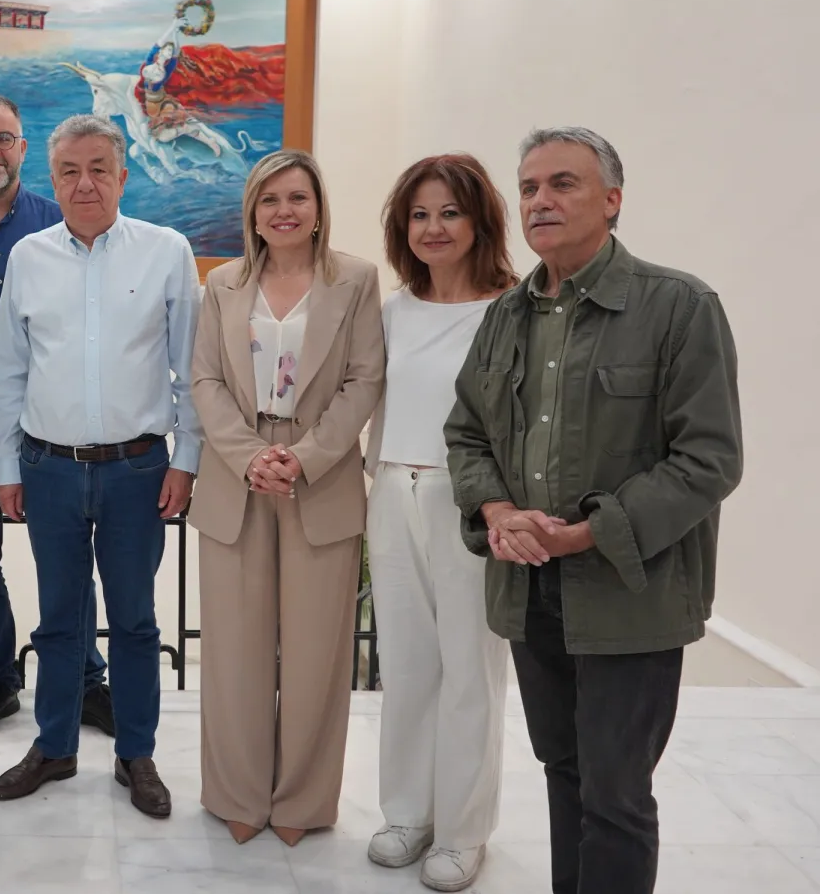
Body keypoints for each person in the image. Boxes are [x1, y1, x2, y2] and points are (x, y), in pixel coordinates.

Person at [446, 127, 742, 894]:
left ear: (612, 200)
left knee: (615, 794)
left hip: (630, 594)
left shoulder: (679, 307)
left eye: (563, 183)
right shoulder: (506, 316)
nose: (540, 200)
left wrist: (589, 533)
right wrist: (499, 509)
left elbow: (709, 458)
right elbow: (467, 432)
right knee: (564, 771)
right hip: (531, 591)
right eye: (529, 187)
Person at [0, 113, 200, 820]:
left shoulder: (166, 251)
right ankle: (54, 746)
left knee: (135, 620)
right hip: (47, 469)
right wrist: (6, 467)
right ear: (52, 181)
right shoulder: (29, 258)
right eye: (70, 172)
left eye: (98, 169)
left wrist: (187, 458)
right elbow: (6, 371)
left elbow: (191, 368)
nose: (85, 184)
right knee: (57, 620)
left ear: (123, 176)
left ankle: (136, 753)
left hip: (138, 471)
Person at [187, 148, 384, 846]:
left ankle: (302, 799)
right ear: (252, 212)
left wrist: (304, 457)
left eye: (297, 197)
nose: (284, 211)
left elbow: (364, 378)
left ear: (319, 207)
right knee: (234, 652)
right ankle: (237, 792)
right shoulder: (223, 284)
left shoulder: (356, 280)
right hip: (236, 478)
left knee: (315, 654)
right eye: (269, 199)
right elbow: (205, 379)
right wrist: (250, 457)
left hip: (319, 478)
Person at [363, 154, 518, 891]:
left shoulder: (513, 310)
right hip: (393, 489)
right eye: (419, 214)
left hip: (471, 502)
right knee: (407, 665)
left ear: (480, 220)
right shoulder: (395, 311)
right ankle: (407, 814)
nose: (433, 227)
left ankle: (462, 831)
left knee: (469, 671)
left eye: (450, 212)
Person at [0, 93, 114, 743]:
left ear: (22, 146)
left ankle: (86, 680)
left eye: (4, 138)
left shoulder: (60, 223)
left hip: (50, 424)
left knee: (67, 562)